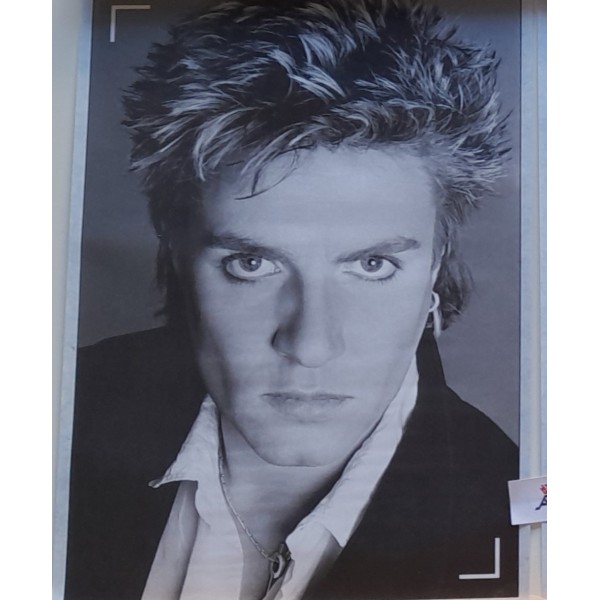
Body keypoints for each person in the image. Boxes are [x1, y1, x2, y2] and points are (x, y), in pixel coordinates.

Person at [64, 1, 519, 598]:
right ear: (175, 251)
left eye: (372, 265)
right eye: (252, 264)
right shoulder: (54, 418)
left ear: (436, 265)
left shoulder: (524, 527)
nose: (310, 346)